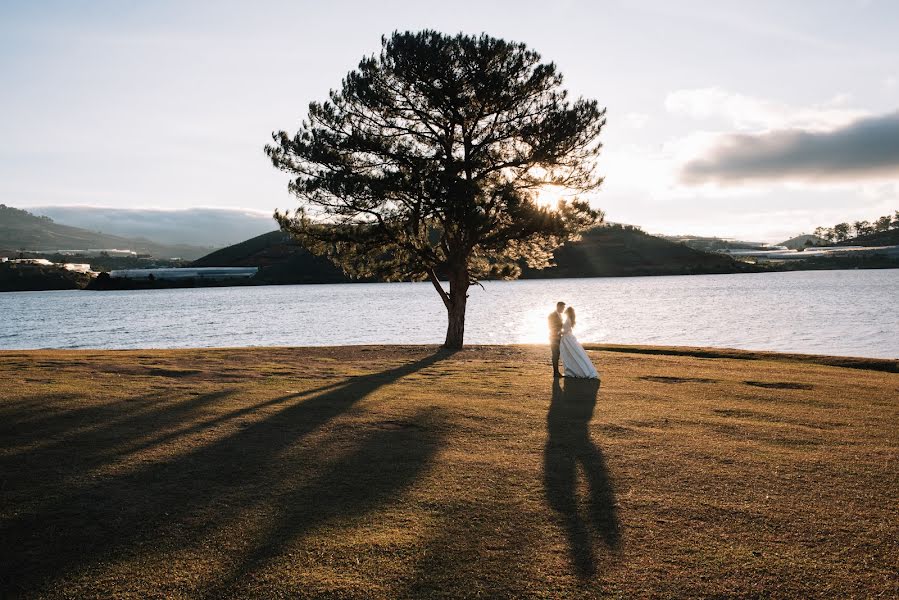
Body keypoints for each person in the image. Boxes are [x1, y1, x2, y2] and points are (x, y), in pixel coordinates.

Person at [559, 306, 599, 379]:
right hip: (569, 338)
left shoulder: (567, 320)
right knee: (573, 355)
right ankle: (572, 370)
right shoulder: (570, 319)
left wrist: (559, 332)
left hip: (567, 339)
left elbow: (566, 330)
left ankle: (573, 370)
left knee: (570, 355)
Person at [548, 301, 565, 378]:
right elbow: (550, 326)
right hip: (553, 338)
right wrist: (557, 332)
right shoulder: (552, 315)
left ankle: (556, 372)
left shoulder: (559, 315)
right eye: (562, 307)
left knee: (557, 355)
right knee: (555, 355)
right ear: (559, 306)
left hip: (558, 338)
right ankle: (555, 373)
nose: (563, 309)